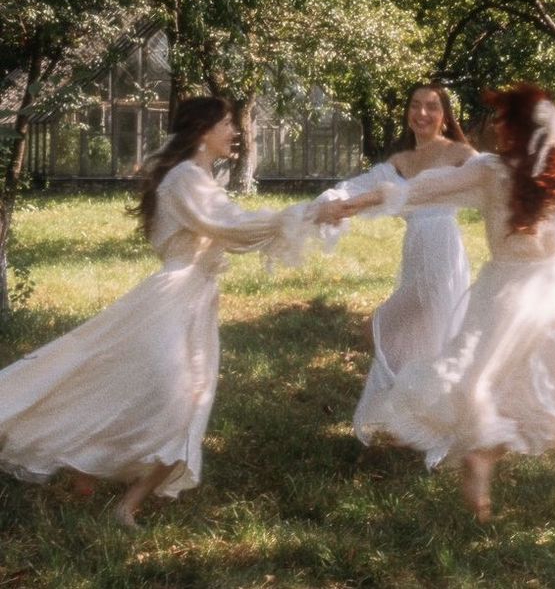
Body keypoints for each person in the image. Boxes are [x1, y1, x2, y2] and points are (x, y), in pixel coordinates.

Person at [0, 96, 346, 528]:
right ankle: (85, 466)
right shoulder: (186, 178)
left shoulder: (198, 176)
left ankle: (118, 497)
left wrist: (316, 213)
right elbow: (231, 226)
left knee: (185, 402)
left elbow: (235, 228)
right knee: (167, 396)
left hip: (195, 300)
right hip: (172, 298)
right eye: (226, 124)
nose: (234, 132)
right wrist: (312, 211)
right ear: (203, 131)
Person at [342, 83, 555, 521]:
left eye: (502, 122)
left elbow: (423, 190)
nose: (495, 129)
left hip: (499, 289)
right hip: (547, 292)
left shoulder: (493, 172)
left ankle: (482, 450)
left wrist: (362, 200)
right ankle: (488, 452)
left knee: (478, 374)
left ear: (517, 131)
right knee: (553, 377)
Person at [319, 83, 476, 442]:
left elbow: (491, 178)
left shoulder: (459, 152)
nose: (422, 114)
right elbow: (361, 185)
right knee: (418, 339)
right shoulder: (401, 161)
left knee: (392, 329)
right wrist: (329, 202)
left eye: (432, 107)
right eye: (415, 106)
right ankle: (416, 419)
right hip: (415, 253)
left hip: (442, 253)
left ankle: (435, 420)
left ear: (445, 116)